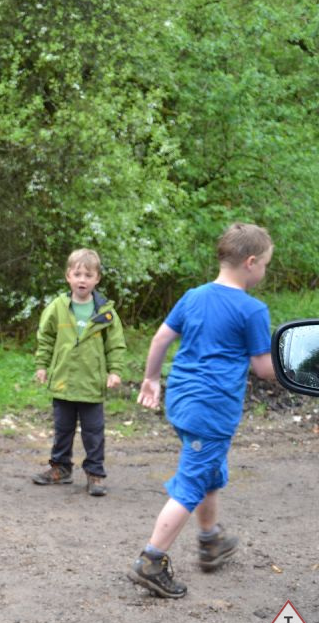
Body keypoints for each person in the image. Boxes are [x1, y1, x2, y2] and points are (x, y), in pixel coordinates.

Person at [127, 223, 275, 598]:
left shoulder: (193, 296)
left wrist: (151, 379)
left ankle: (210, 540)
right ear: (251, 262)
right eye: (265, 265)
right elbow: (263, 369)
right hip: (211, 411)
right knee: (192, 482)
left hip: (182, 401)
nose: (265, 271)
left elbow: (161, 337)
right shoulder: (252, 310)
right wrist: (300, 368)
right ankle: (151, 559)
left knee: (209, 471)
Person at [32, 248, 126, 496]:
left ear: (97, 279)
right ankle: (61, 468)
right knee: (62, 429)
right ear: (68, 276)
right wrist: (42, 365)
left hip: (91, 384)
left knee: (94, 433)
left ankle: (95, 474)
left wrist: (115, 371)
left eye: (88, 275)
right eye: (77, 274)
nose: (82, 280)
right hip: (63, 382)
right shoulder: (57, 307)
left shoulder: (106, 313)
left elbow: (115, 345)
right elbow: (46, 338)